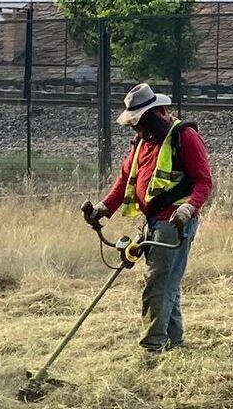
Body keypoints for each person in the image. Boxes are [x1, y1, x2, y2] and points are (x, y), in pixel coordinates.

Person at [81, 83, 215, 357]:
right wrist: (103, 208)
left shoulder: (185, 137)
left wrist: (188, 209)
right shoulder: (142, 143)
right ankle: (175, 344)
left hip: (175, 224)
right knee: (168, 284)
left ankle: (151, 349)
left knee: (157, 286)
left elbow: (204, 181)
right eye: (135, 126)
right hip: (153, 222)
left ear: (161, 112)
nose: (139, 131)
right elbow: (124, 181)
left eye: (142, 123)